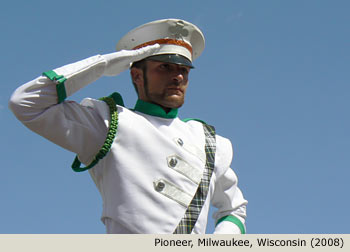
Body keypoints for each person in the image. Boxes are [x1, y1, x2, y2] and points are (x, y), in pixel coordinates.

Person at [9, 19, 247, 234]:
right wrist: (107, 63)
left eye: (183, 70)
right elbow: (25, 102)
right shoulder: (108, 122)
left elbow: (233, 209)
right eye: (165, 67)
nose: (178, 77)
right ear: (136, 76)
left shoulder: (208, 140)